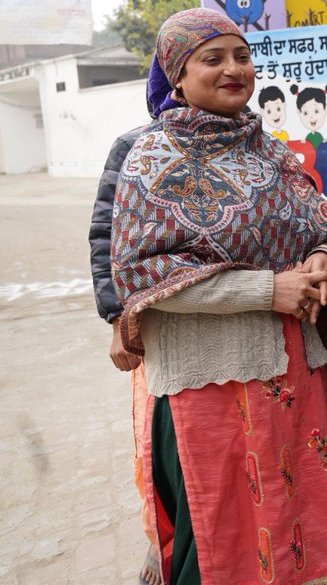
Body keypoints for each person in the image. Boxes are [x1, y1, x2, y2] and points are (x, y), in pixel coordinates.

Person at [110, 7, 327, 585]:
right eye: (214, 59)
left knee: (294, 521)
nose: (234, 69)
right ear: (177, 74)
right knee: (218, 534)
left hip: (289, 372)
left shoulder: (271, 152)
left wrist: (322, 260)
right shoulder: (151, 158)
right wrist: (267, 289)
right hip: (209, 380)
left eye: (242, 56)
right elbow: (141, 272)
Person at [90, 120, 156, 585]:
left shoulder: (251, 141)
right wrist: (118, 318)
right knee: (156, 443)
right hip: (156, 328)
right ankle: (160, 537)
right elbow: (105, 235)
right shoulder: (135, 145)